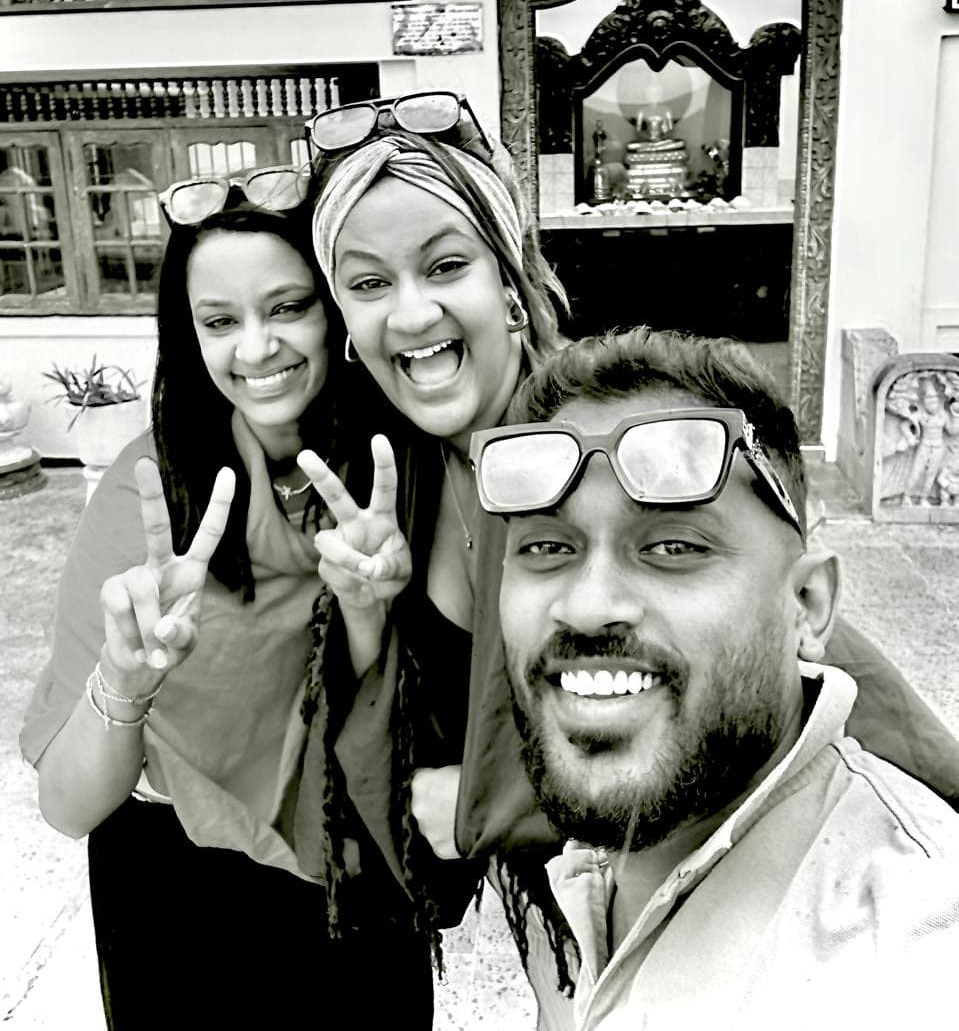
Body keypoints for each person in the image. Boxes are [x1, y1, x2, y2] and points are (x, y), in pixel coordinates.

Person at [292, 92, 959, 1012]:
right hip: (546, 902)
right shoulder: (392, 476)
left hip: (676, 889)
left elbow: (798, 668)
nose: (410, 313)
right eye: (367, 284)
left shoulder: (624, 440)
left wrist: (490, 812)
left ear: (511, 286)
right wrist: (367, 607)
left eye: (445, 265)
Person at [19, 170, 435, 1029]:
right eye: (219, 321)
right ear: (188, 336)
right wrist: (127, 677)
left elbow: (406, 733)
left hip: (353, 867)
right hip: (176, 891)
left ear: (337, 314)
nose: (255, 348)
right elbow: (68, 807)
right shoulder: (149, 494)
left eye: (287, 308)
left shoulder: (403, 476)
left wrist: (366, 610)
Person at [473, 326, 959, 1027]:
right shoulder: (607, 852)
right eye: (547, 547)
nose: (586, 605)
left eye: (673, 546)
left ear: (807, 605)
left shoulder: (904, 942)